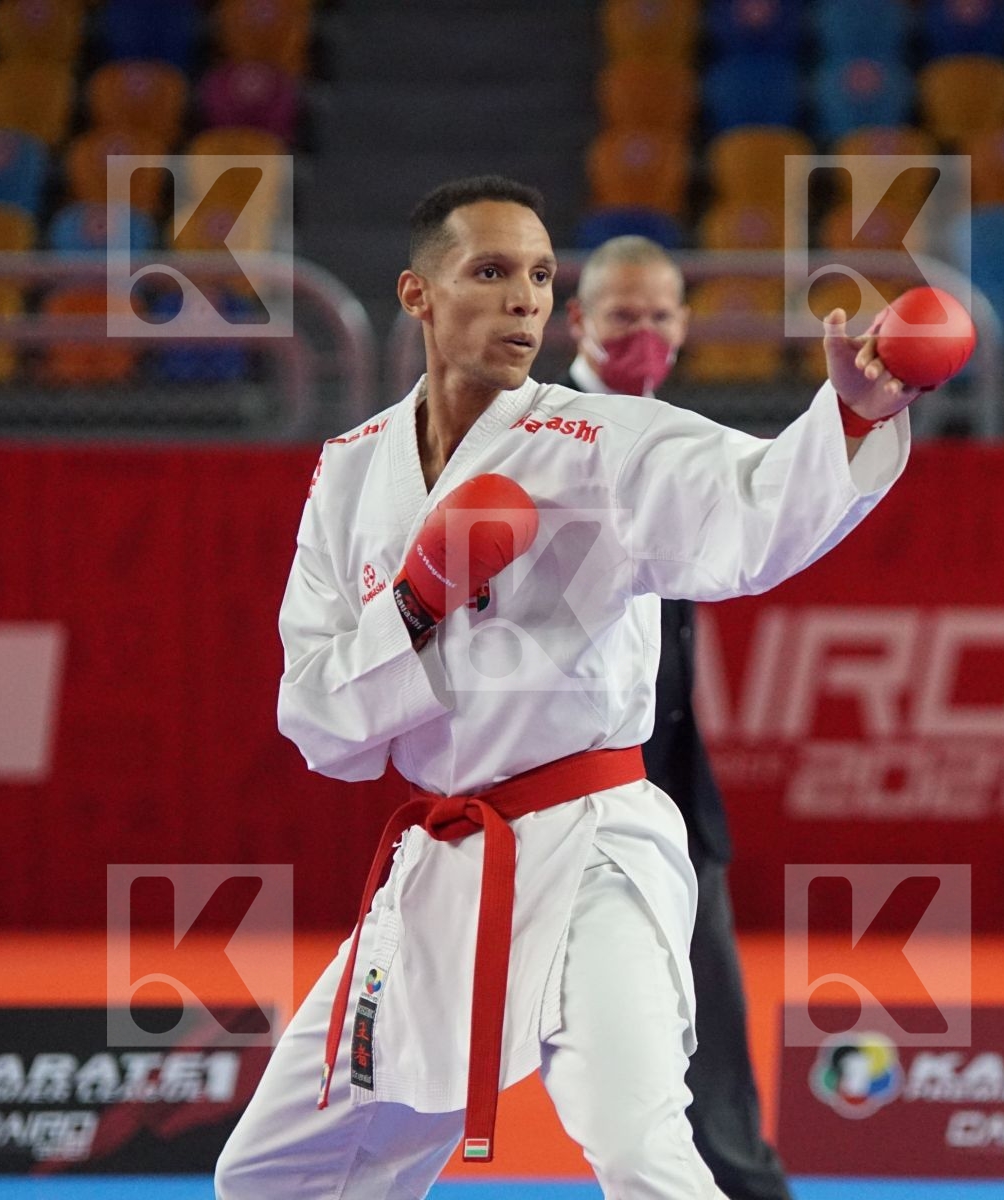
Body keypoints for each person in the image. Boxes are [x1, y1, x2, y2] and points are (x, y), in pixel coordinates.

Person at [215, 176, 921, 1199]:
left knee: (639, 1151)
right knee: (272, 1174)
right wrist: (415, 603)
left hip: (593, 853)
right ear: (417, 295)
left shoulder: (600, 441)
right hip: (437, 874)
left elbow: (751, 517)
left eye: (541, 275)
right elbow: (322, 725)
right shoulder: (352, 471)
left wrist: (845, 421)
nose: (526, 299)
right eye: (492, 272)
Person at [564, 235, 794, 1200]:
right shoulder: (536, 433)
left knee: (711, 1025)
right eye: (623, 316)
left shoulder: (679, 434)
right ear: (577, 322)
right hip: (548, 796)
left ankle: (742, 1189)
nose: (645, 334)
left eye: (661, 316)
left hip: (669, 795)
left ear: (686, 326)